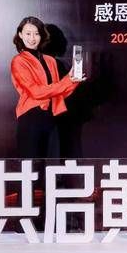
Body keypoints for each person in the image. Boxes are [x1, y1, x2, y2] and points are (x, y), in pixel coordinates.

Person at [10, 16, 84, 159]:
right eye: (28, 33)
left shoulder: (50, 61)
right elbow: (36, 92)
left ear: (42, 35)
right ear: (20, 35)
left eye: (36, 34)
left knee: (49, 166)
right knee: (30, 165)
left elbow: (58, 94)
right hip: (30, 117)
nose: (32, 38)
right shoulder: (19, 61)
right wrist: (66, 82)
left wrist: (74, 80)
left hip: (51, 118)